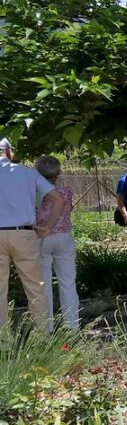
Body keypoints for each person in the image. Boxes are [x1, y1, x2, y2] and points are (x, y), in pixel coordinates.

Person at [0, 137, 64, 332]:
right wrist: (46, 227)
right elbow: (58, 200)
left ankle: (3, 341)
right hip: (24, 234)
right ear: (9, 152)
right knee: (36, 287)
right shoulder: (28, 173)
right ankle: (43, 337)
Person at [33, 156, 79, 331]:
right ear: (58, 172)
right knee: (68, 281)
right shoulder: (65, 191)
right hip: (64, 236)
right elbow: (69, 208)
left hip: (41, 236)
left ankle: (47, 327)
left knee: (43, 283)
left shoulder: (35, 192)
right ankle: (72, 325)